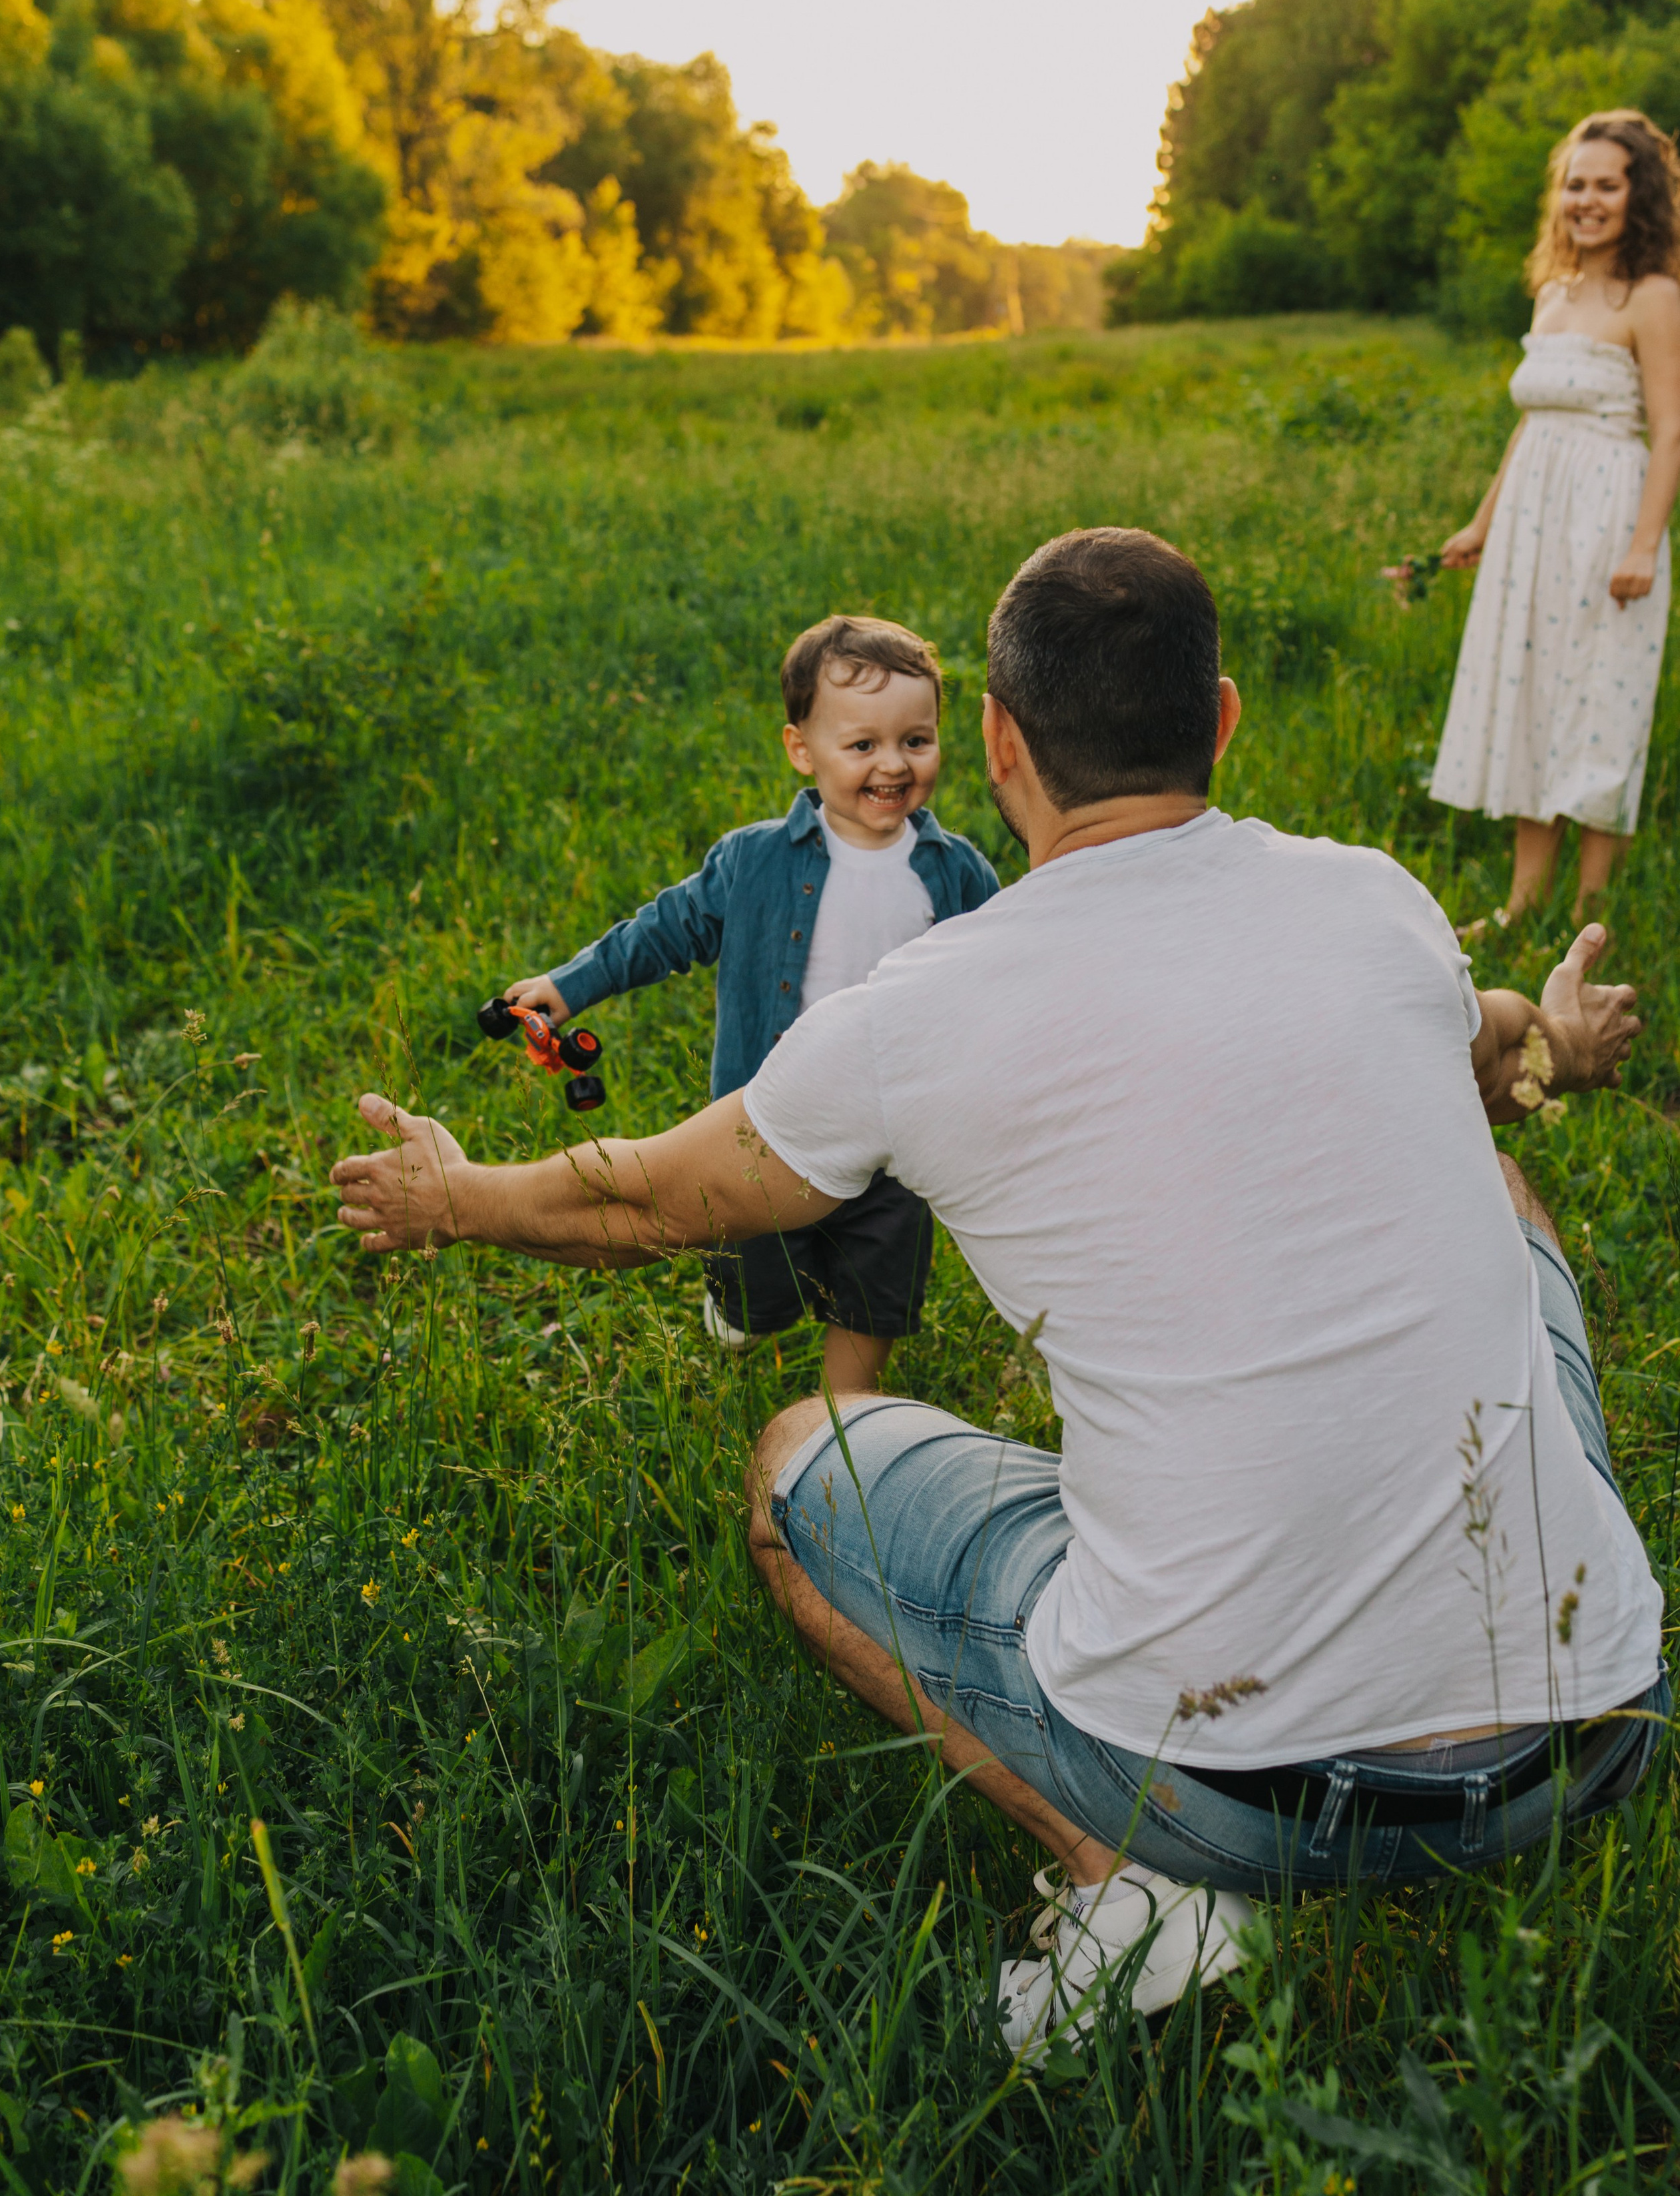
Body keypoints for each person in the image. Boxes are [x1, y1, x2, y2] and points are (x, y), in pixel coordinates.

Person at [333, 529, 1665, 2063]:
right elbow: (1488, 1038)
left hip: (1235, 1798)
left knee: (796, 1461)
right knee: (1503, 1191)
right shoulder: (1371, 899)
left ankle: (1128, 1884)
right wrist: (1551, 1045)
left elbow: (646, 1196)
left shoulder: (927, 1007)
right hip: (1592, 1728)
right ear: (1220, 718)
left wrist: (457, 1195)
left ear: (995, 740)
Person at [499, 612, 998, 1395]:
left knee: (878, 1276)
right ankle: (736, 1299)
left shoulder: (956, 872)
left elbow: (1004, 971)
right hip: (769, 1122)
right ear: (802, 748)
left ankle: (848, 1416)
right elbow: (663, 931)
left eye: (916, 740)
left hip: (895, 1129)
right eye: (861, 745)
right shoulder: (754, 861)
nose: (892, 765)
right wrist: (568, 987)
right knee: (757, 1276)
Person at [1430, 109, 1680, 922]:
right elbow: (1533, 422)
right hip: (1535, 521)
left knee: (1601, 703)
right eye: (1576, 184)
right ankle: (1520, 907)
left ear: (1636, 194)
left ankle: (1587, 917)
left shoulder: (1652, 294)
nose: (1588, 200)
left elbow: (1672, 426)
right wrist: (1481, 521)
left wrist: (1644, 542)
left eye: (1607, 184)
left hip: (1609, 516)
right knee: (1535, 695)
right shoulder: (1553, 291)